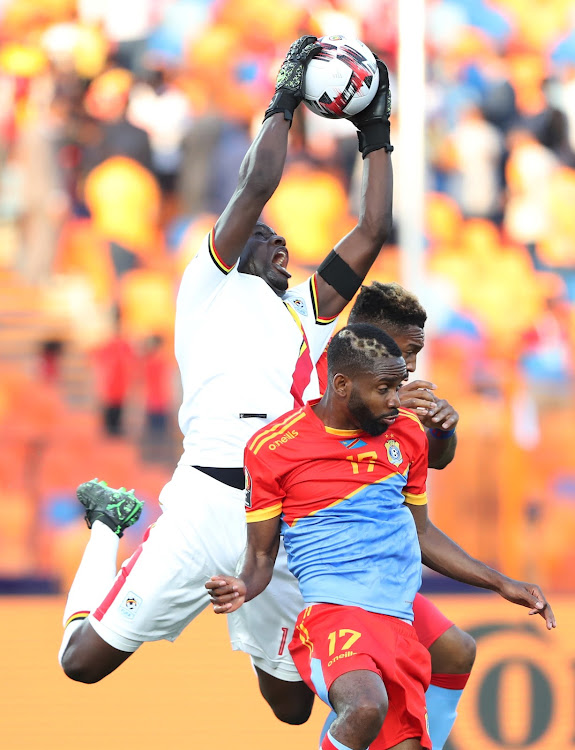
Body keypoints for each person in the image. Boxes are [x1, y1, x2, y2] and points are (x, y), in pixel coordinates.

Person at [58, 34, 394, 719]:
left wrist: (374, 131)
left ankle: (253, 627)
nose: (282, 245)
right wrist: (283, 98)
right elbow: (257, 185)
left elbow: (372, 227)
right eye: (267, 238)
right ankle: (108, 524)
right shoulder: (205, 285)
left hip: (278, 515)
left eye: (282, 240)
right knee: (81, 664)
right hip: (203, 501)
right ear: (239, 247)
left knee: (292, 708)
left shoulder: (306, 308)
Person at [206, 323, 556, 750]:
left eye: (400, 385)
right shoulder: (273, 448)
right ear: (342, 385)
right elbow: (261, 557)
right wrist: (243, 586)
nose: (396, 400)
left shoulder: (406, 435)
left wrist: (502, 582)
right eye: (385, 388)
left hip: (398, 617)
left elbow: (420, 531)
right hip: (334, 613)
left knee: (446, 668)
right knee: (365, 707)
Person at [346, 281, 472, 749]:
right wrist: (386, 404)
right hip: (321, 574)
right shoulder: (329, 384)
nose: (413, 365)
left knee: (456, 649)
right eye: (407, 349)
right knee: (310, 705)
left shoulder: (392, 398)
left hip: (380, 571)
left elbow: (436, 459)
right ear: (369, 338)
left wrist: (438, 430)